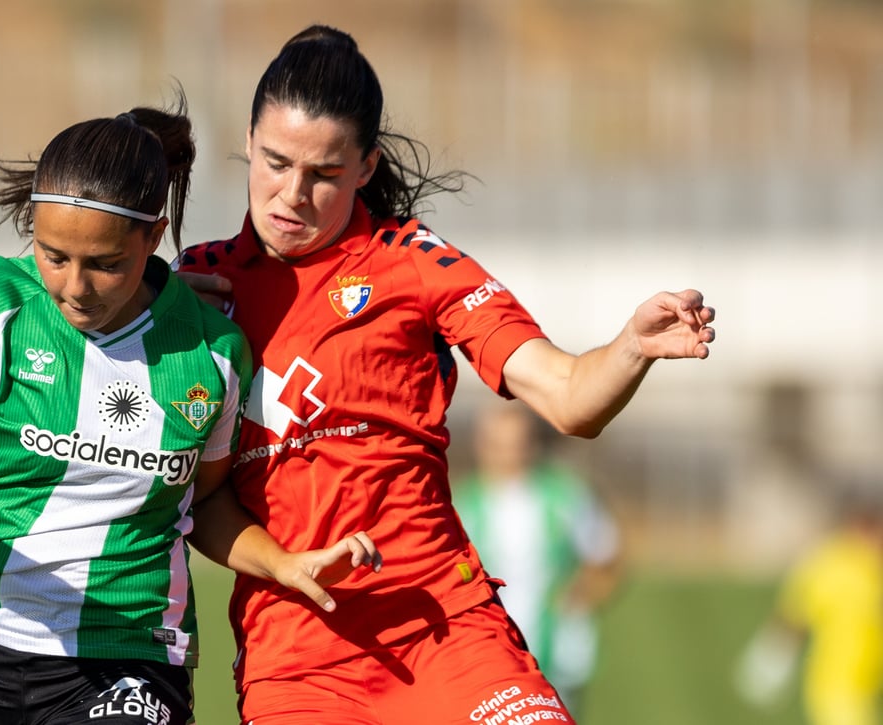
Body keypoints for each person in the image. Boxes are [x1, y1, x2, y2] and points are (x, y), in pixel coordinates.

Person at [176, 25, 716, 725]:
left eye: (325, 175)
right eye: (275, 161)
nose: (293, 195)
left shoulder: (414, 261)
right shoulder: (194, 291)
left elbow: (571, 398)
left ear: (366, 167)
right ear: (248, 140)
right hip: (299, 657)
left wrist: (631, 347)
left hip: (445, 627)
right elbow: (198, 497)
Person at [0, 96, 378, 725]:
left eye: (106, 265)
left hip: (124, 661)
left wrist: (282, 562)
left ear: (153, 238)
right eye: (55, 256)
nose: (76, 288)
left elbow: (207, 503)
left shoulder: (212, 352)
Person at [452, 402, 622, 714]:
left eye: (517, 443)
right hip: (485, 650)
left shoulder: (565, 494)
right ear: (482, 445)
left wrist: (579, 601)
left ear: (533, 444)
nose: (508, 454)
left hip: (556, 648)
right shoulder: (461, 504)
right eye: (498, 444)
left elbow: (606, 557)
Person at [736, 481, 883, 725]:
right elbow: (795, 616)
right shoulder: (832, 563)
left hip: (867, 689)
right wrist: (771, 661)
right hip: (838, 689)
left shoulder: (872, 565)